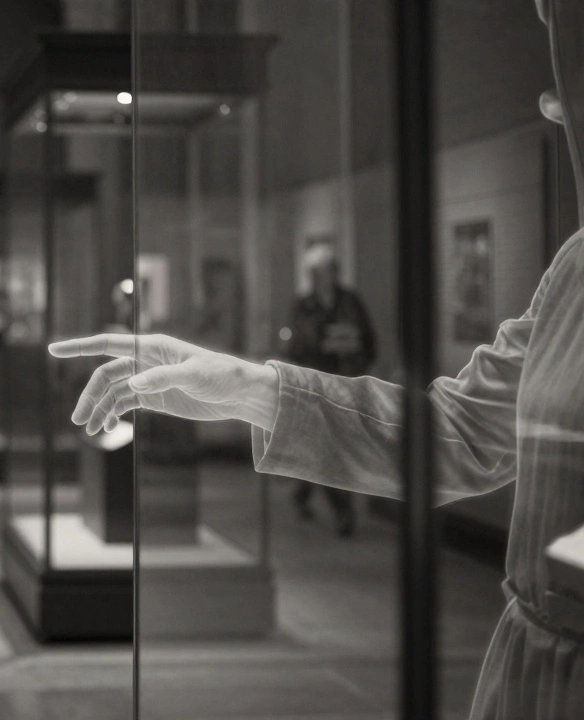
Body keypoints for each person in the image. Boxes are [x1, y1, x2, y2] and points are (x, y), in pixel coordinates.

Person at [49, 1, 582, 716]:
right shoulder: (576, 266)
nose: (554, 111)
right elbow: (459, 434)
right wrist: (252, 388)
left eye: (567, 95)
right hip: (534, 667)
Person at [285, 243, 377, 536]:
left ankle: (306, 493)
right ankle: (342, 509)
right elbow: (296, 346)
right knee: (325, 448)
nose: (324, 276)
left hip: (345, 386)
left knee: (333, 448)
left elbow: (369, 341)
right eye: (319, 271)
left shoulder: (350, 302)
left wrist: (356, 365)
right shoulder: (303, 306)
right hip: (316, 386)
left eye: (328, 269)